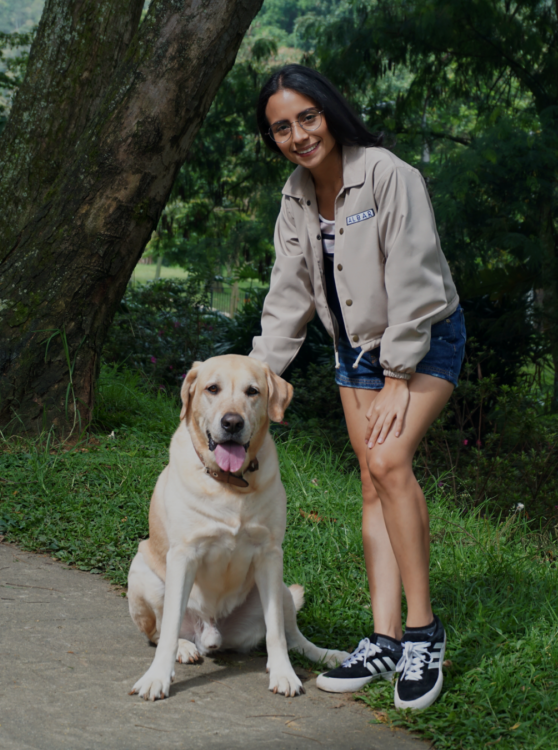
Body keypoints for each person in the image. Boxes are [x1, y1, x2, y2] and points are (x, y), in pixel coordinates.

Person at [249, 64, 466, 711]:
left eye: (306, 117)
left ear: (329, 112)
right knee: (371, 482)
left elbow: (418, 280)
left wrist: (399, 375)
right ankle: (385, 639)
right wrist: (255, 376)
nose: (297, 134)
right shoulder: (295, 196)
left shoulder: (389, 174)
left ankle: (425, 635)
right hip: (353, 353)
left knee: (389, 461)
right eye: (281, 127)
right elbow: (288, 296)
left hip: (422, 336)